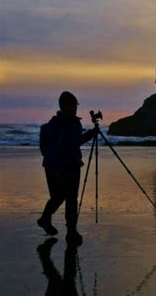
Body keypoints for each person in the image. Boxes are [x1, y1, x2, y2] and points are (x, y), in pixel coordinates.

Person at [37, 91, 97, 245]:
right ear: (66, 106)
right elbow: (53, 149)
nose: (76, 107)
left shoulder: (74, 122)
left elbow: (75, 142)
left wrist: (91, 133)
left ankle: (71, 231)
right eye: (74, 104)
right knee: (58, 197)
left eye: (76, 104)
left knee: (71, 198)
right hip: (56, 166)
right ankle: (45, 219)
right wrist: (56, 170)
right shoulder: (55, 124)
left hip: (72, 164)